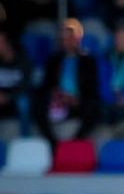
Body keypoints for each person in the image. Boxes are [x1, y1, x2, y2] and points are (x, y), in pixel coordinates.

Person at [34, 18, 99, 147]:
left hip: (78, 102)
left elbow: (92, 87)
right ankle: (53, 144)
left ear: (78, 39)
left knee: (94, 107)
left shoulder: (88, 61)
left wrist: (76, 99)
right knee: (37, 104)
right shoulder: (53, 61)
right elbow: (46, 85)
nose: (67, 41)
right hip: (58, 102)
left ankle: (75, 143)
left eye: (71, 38)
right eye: (64, 38)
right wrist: (56, 95)